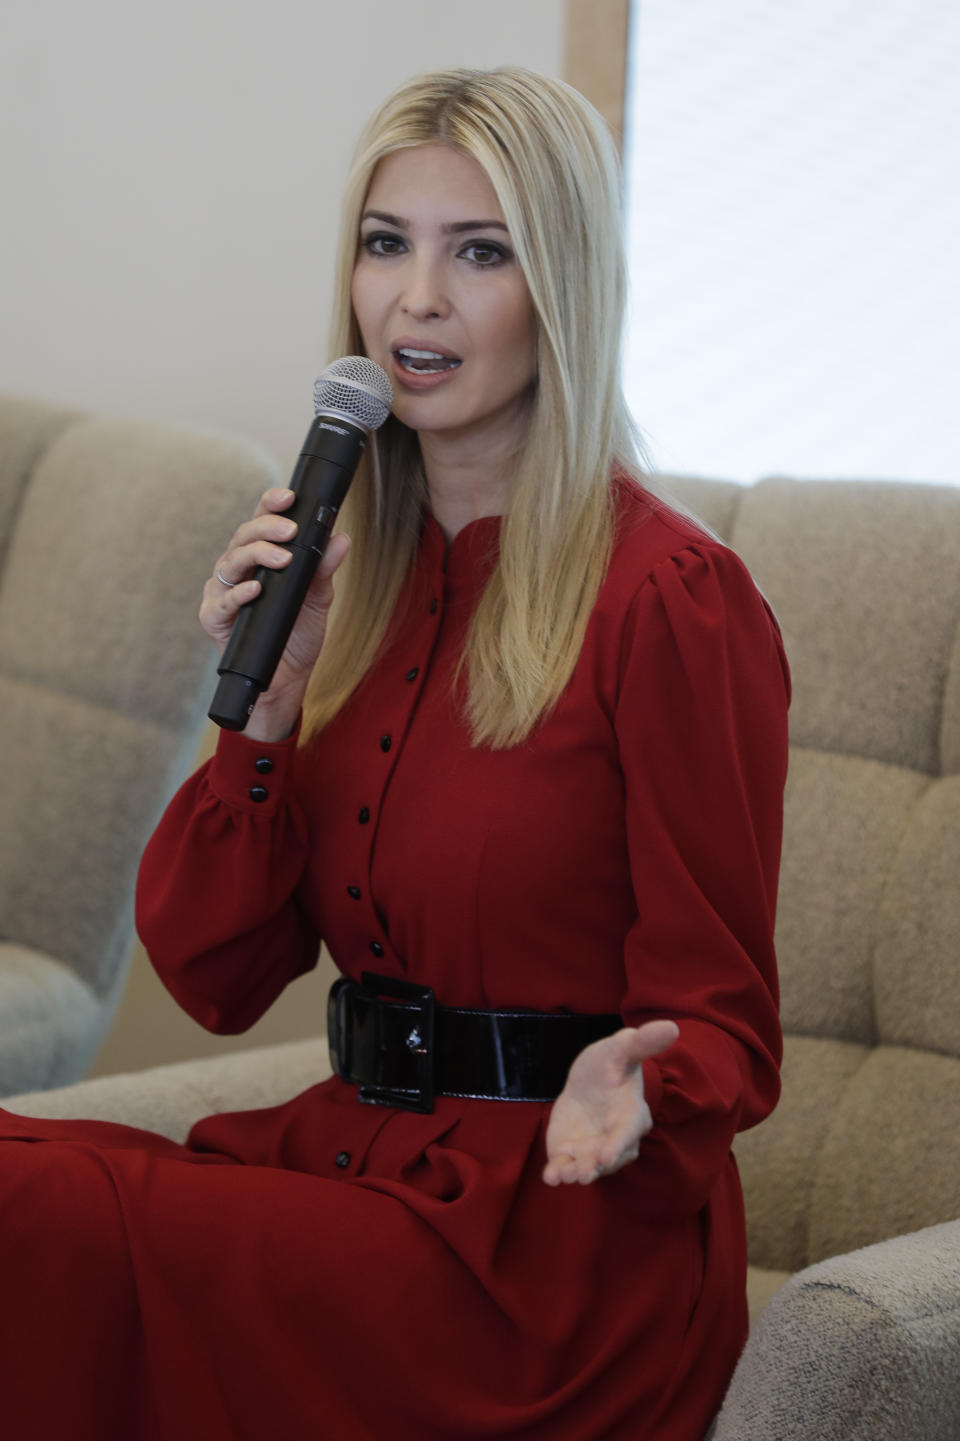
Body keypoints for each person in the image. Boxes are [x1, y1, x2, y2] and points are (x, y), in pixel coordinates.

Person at [0, 67, 790, 1440]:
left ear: (562, 289)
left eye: (477, 251)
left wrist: (638, 1087)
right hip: (360, 1175)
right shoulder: (354, 581)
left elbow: (725, 1017)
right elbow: (219, 974)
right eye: (387, 242)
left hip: (546, 1262)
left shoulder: (671, 599)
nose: (415, 297)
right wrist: (261, 710)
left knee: (45, 1212)